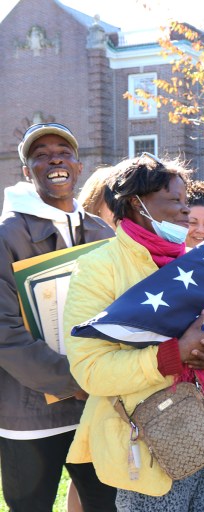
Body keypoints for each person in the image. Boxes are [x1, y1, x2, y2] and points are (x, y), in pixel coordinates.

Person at [62, 153, 204, 510]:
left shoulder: (195, 261)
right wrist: (172, 355)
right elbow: (89, 370)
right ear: (136, 204)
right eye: (174, 200)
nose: (186, 210)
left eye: (186, 200)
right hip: (154, 451)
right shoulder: (98, 269)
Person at [0, 123, 116, 511]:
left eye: (64, 151)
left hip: (96, 406)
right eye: (41, 154)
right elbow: (4, 333)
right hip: (28, 412)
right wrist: (73, 380)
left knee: (105, 504)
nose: (54, 159)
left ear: (79, 166)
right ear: (27, 171)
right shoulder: (7, 236)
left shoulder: (101, 233)